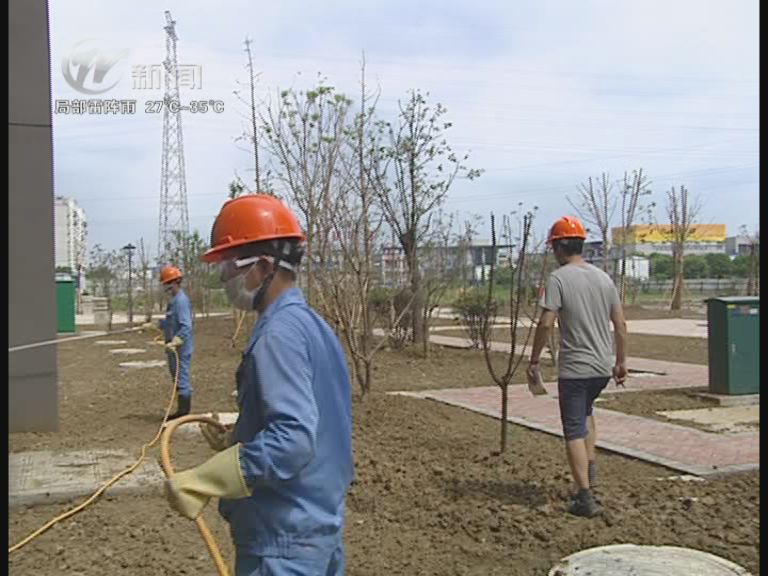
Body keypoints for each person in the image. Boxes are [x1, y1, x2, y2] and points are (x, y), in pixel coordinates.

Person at [164, 194, 354, 575]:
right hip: (317, 530)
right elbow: (315, 420)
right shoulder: (311, 326)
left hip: (282, 545)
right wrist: (241, 434)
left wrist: (209, 478)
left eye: (231, 265)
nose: (223, 277)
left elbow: (295, 437)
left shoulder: (277, 335)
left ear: (265, 266)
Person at [527, 216, 627, 518]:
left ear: (557, 247)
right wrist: (621, 361)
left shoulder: (558, 279)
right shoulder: (603, 278)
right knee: (586, 414)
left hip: (575, 368)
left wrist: (534, 360)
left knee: (572, 429)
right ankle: (591, 472)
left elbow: (546, 322)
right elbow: (620, 324)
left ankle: (584, 498)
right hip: (601, 367)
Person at [142, 265, 194, 419]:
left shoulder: (181, 302)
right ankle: (181, 410)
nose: (165, 288)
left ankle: (183, 413)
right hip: (173, 347)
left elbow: (186, 326)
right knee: (176, 377)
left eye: (166, 284)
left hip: (181, 348)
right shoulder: (174, 301)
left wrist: (177, 340)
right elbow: (170, 322)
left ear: (173, 283)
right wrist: (154, 325)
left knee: (181, 377)